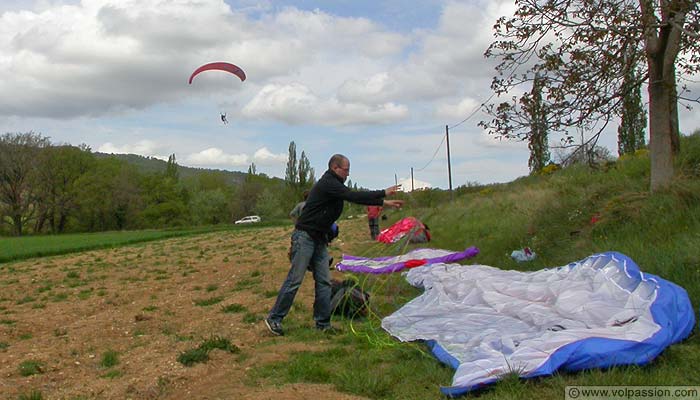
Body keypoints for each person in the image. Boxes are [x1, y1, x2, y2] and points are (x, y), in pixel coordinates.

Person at [265, 154, 403, 336]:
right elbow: (353, 196)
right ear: (335, 168)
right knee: (295, 280)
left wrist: (383, 202)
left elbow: (351, 195)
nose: (348, 174)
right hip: (305, 237)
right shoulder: (328, 183)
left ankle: (322, 323)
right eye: (346, 170)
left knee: (324, 281)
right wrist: (383, 193)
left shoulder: (336, 185)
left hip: (319, 239)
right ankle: (274, 318)